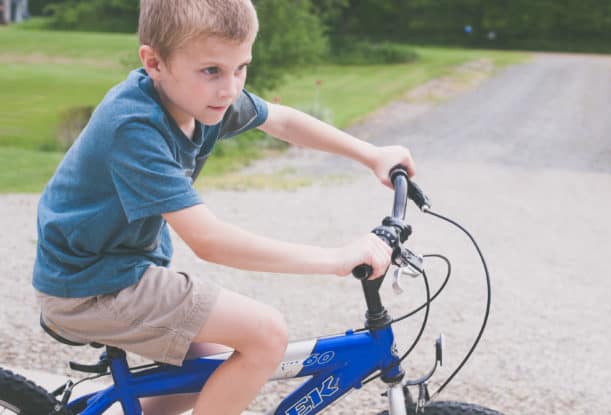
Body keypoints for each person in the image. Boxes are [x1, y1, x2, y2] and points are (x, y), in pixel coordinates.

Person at [31, 0, 415, 413]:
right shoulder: (134, 128)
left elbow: (281, 121)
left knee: (209, 371)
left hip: (117, 271)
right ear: (155, 62)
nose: (230, 88)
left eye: (240, 68)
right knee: (266, 334)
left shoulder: (199, 100)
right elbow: (210, 241)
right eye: (212, 70)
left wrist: (370, 154)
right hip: (90, 286)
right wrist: (336, 258)